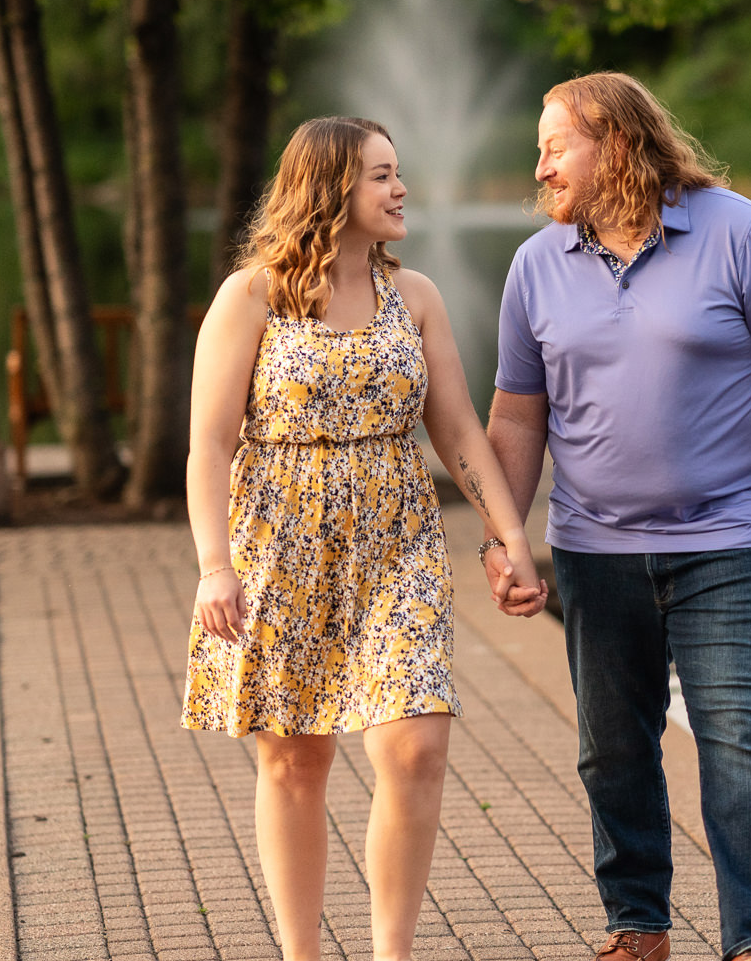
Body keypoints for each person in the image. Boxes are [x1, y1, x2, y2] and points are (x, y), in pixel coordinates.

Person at [480, 73, 751, 961]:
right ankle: (638, 928)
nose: (540, 166)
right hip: (595, 549)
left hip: (733, 541)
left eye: (555, 146)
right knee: (612, 751)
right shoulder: (536, 264)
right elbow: (518, 415)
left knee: (740, 746)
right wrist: (505, 536)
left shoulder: (743, 234)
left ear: (614, 140)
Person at [182, 116, 548, 961]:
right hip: (280, 543)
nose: (400, 188)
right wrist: (214, 568)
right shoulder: (252, 296)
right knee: (297, 764)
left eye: (397, 171)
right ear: (330, 190)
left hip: (398, 541)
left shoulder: (414, 295)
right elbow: (209, 445)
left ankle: (393, 954)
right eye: (382, 175)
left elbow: (457, 427)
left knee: (417, 744)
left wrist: (510, 538)